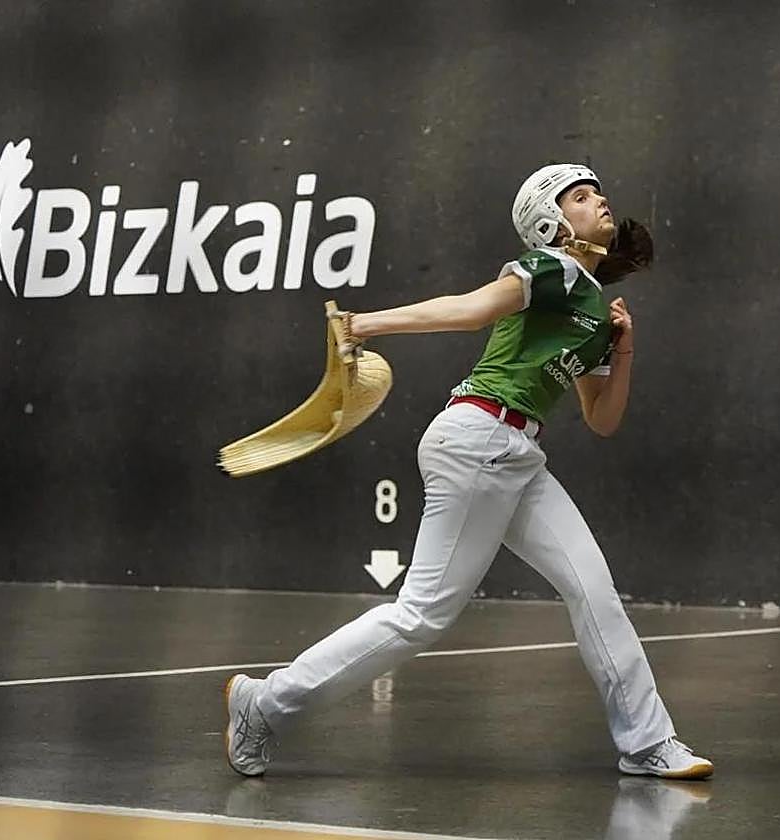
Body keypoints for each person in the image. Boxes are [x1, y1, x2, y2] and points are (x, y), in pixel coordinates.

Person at [224, 163, 714, 779]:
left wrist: (624, 349)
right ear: (551, 223)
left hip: (517, 455)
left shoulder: (593, 306)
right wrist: (367, 324)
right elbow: (473, 309)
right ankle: (264, 704)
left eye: (597, 192)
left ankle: (648, 743)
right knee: (420, 615)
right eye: (580, 197)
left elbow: (602, 418)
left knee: (594, 592)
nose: (599, 200)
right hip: (478, 439)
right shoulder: (550, 268)